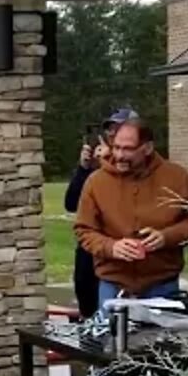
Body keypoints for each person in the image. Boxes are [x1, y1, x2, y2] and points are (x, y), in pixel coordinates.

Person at [73, 118, 188, 376]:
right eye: (115, 147)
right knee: (108, 361)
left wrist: (166, 237)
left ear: (147, 147)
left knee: (163, 361)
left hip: (161, 283)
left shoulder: (176, 177)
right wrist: (112, 247)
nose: (119, 155)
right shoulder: (96, 182)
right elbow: (84, 230)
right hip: (113, 286)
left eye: (127, 149)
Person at [63, 108, 139, 319]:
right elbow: (71, 203)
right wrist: (84, 168)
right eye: (110, 130)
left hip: (121, 253)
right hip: (91, 251)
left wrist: (110, 164)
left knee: (119, 317)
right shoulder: (97, 170)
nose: (113, 135)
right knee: (88, 304)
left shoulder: (138, 162)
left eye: (118, 129)